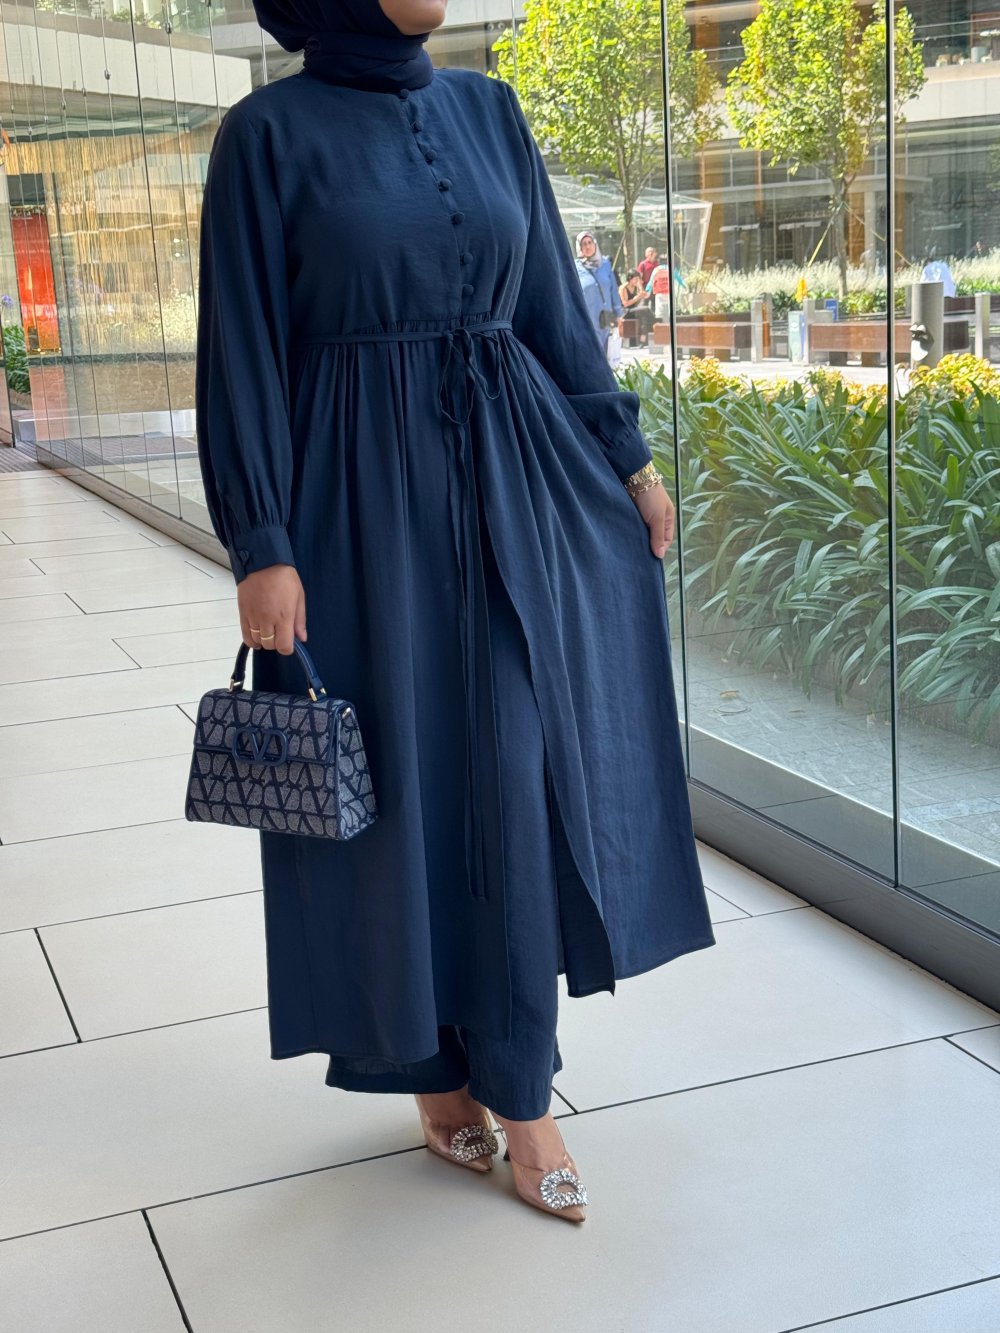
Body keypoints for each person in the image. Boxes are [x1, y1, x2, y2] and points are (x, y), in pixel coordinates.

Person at [195, 0, 716, 1226]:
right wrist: (262, 543)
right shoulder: (267, 134)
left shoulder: (489, 109)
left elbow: (550, 308)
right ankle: (428, 1066)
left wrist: (627, 459)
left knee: (514, 771)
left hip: (512, 483)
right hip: (353, 504)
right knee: (394, 790)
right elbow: (242, 349)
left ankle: (521, 1085)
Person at [575, 230, 624, 355]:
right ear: (579, 248)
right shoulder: (576, 267)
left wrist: (619, 314)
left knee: (607, 354)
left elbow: (613, 290)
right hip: (587, 320)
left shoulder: (605, 264)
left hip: (605, 318)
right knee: (591, 355)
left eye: (590, 242)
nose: (588, 246)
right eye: (584, 244)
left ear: (595, 244)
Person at [620, 267, 652, 339]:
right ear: (630, 278)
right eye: (636, 279)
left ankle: (643, 337)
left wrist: (640, 287)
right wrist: (637, 298)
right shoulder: (623, 288)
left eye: (638, 279)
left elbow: (645, 296)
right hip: (625, 311)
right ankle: (654, 325)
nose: (637, 281)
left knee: (644, 316)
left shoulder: (635, 286)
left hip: (633, 310)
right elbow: (625, 304)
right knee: (646, 309)